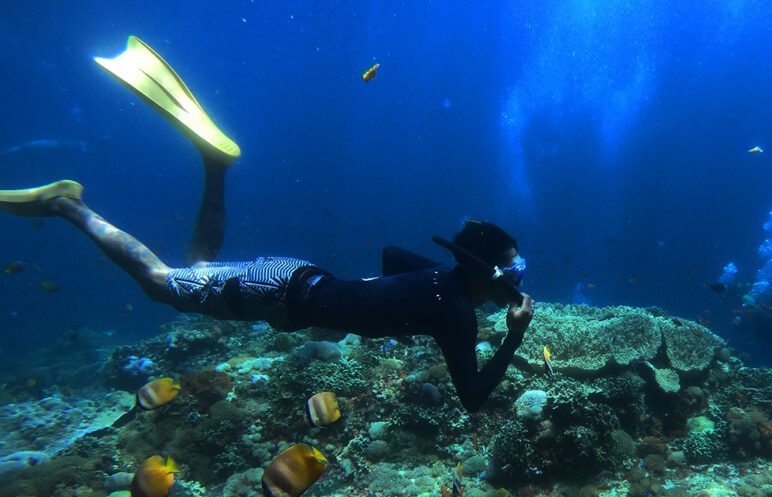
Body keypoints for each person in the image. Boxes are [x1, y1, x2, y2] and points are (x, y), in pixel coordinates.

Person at [0, 36, 534, 412]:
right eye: (513, 272)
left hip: (297, 275)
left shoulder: (443, 282)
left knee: (199, 269)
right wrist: (510, 338)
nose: (517, 282)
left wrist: (383, 312)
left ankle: (214, 166)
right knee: (161, 284)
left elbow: (394, 255)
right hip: (276, 296)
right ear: (481, 270)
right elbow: (473, 399)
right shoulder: (458, 316)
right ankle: (68, 206)